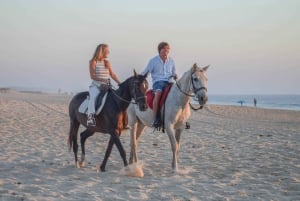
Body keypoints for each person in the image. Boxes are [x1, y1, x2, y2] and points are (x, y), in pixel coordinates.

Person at [141, 42, 177, 128]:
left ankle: (179, 117)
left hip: (170, 82)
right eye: (164, 48)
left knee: (179, 94)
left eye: (168, 49)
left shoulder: (171, 60)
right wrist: (139, 77)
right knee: (158, 95)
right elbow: (145, 72)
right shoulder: (153, 61)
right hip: (158, 82)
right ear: (159, 50)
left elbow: (174, 72)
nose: (166, 50)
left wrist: (175, 76)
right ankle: (155, 118)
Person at [87, 44, 121, 127]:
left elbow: (112, 74)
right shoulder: (93, 62)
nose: (108, 53)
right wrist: (103, 80)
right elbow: (92, 76)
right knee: (93, 97)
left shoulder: (107, 62)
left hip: (106, 86)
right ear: (102, 52)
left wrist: (119, 82)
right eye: (107, 51)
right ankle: (90, 117)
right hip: (96, 86)